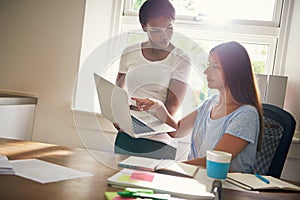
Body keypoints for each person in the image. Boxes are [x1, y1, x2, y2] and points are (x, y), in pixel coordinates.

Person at [131, 41, 263, 173]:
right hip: (196, 178)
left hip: (226, 187)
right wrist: (159, 107)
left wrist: (165, 168)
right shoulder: (210, 103)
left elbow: (213, 162)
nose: (206, 72)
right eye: (208, 65)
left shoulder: (246, 115)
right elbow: (177, 131)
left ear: (234, 71)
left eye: (215, 67)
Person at [115, 0, 192, 160]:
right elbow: (118, 90)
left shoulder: (181, 58)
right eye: (156, 30)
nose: (164, 35)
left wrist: (142, 126)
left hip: (159, 139)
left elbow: (171, 106)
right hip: (127, 135)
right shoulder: (130, 52)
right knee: (116, 183)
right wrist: (118, 116)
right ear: (144, 26)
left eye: (169, 28)